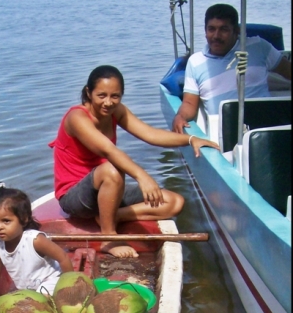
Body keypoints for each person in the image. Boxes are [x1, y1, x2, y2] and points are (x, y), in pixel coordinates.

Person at [49, 65, 219, 259]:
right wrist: (142, 176)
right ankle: (109, 237)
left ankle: (112, 215)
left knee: (174, 202)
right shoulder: (77, 117)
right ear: (89, 92)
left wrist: (190, 140)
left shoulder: (116, 111)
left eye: (115, 96)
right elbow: (108, 150)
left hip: (105, 191)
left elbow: (151, 134)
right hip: (75, 198)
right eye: (101, 95)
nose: (108, 102)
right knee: (112, 170)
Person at [172, 3, 291, 134]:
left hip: (267, 126)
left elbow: (288, 71)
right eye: (211, 29)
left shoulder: (259, 47)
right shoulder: (195, 62)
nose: (216, 36)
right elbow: (189, 103)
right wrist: (180, 117)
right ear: (205, 31)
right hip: (224, 132)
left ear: (237, 31)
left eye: (224, 29)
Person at [0, 186, 74, 301]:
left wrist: (70, 285)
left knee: (40, 299)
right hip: (28, 289)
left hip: (51, 281)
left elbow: (63, 257)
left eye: (6, 221)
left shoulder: (35, 240)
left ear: (24, 219)